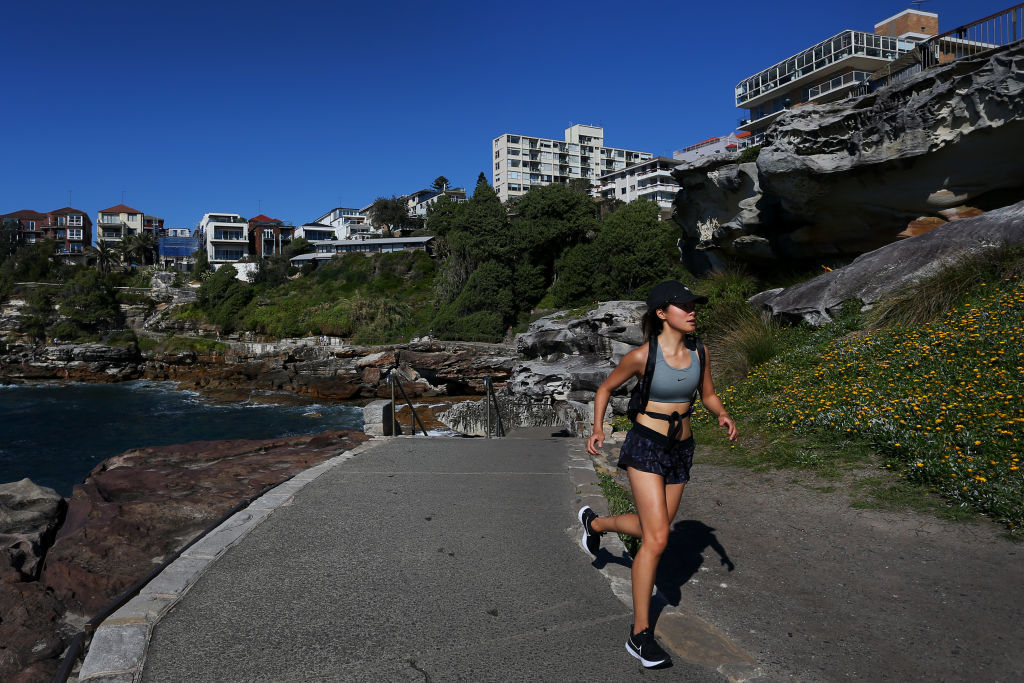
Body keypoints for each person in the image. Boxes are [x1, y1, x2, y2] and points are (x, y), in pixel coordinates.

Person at [580, 280, 738, 668]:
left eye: (693, 304)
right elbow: (604, 390)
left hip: (681, 448)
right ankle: (639, 634)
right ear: (662, 313)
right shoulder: (642, 356)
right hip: (646, 446)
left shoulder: (701, 351)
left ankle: (597, 524)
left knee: (659, 528)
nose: (692, 310)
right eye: (684, 305)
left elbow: (707, 393)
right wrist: (598, 428)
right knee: (657, 539)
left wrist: (721, 413)